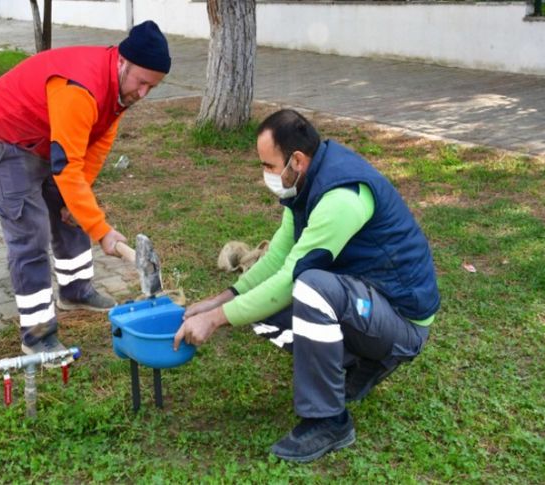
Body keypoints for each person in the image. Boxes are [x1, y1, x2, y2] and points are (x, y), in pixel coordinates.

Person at [173, 109, 440, 463]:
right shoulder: (303, 184)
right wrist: (222, 299)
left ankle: (329, 421)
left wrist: (216, 319)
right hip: (366, 300)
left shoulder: (341, 197)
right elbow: (276, 258)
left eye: (268, 166)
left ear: (296, 160)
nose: (264, 175)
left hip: (402, 321)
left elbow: (289, 279)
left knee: (309, 286)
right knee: (260, 308)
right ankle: (356, 364)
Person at [0, 21, 171, 354]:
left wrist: (78, 205)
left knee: (74, 210)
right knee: (29, 232)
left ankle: (75, 291)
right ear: (123, 62)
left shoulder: (117, 87)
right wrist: (103, 231)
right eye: (142, 82)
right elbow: (67, 168)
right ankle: (37, 333)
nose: (144, 93)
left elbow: (99, 141)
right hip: (6, 135)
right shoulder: (82, 87)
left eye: (154, 87)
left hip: (48, 137)